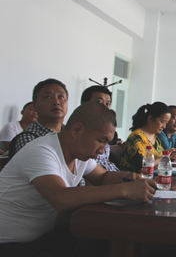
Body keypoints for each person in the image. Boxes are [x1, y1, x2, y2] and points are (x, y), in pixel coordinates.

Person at [0, 102, 156, 255]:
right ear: (77, 130)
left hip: (43, 238)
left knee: (104, 238)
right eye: (101, 141)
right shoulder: (41, 151)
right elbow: (60, 198)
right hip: (11, 245)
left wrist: (130, 178)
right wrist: (124, 190)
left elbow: (103, 177)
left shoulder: (79, 154)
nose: (102, 150)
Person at [11, 79, 69, 156]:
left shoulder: (71, 133)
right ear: (35, 106)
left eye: (61, 97)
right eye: (48, 97)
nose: (56, 102)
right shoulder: (29, 138)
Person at [120, 102, 171, 173]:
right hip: (135, 178)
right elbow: (142, 167)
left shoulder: (155, 139)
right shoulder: (136, 137)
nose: (164, 126)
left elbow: (159, 158)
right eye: (162, 122)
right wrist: (164, 157)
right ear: (150, 119)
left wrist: (170, 153)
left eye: (166, 123)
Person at [80, 85, 119, 172]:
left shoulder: (106, 132)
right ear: (84, 104)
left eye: (107, 104)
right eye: (99, 102)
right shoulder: (80, 134)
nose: (104, 108)